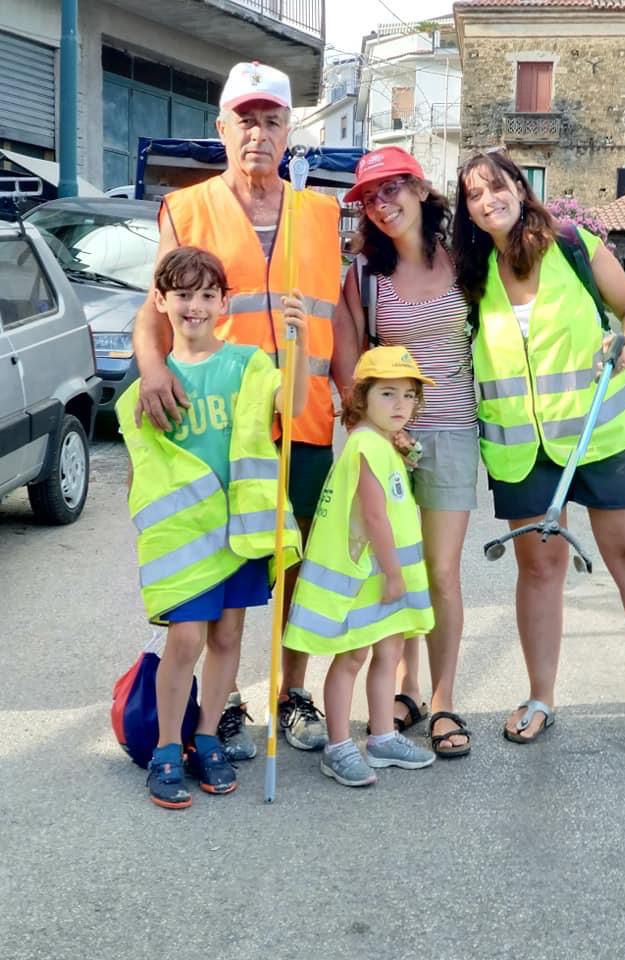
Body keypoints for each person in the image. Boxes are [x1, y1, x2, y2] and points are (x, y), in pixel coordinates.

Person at [132, 62, 350, 755]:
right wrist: (150, 370)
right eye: (245, 119)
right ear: (221, 128)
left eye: (272, 120)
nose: (258, 133)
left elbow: (339, 318)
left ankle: (291, 694)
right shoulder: (187, 208)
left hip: (305, 419)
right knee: (228, 567)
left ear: (290, 132)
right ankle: (224, 706)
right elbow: (155, 311)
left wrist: (359, 400)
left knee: (297, 568)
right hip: (222, 428)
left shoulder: (322, 212)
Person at [452, 150, 625, 758]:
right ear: (468, 210)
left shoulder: (572, 243)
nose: (489, 200)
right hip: (522, 450)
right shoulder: (473, 270)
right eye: (474, 195)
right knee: (538, 571)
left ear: (519, 185)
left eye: (497, 186)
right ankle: (541, 698)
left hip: (604, 435)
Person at [116, 246, 307, 807]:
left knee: (227, 636)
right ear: (161, 301)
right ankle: (167, 748)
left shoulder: (247, 364)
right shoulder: (150, 386)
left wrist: (297, 346)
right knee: (187, 639)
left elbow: (291, 408)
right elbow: (146, 472)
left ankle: (207, 736)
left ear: (224, 303)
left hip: (240, 530)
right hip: (187, 540)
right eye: (182, 295)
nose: (194, 306)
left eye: (206, 295)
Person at [338, 147, 478, 758]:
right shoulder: (366, 274)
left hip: (452, 431)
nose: (382, 203)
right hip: (387, 439)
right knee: (395, 565)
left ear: (420, 189)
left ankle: (444, 700)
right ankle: (406, 685)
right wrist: (369, 431)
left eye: (392, 188)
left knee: (441, 572)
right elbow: (348, 359)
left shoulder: (467, 260)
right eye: (370, 197)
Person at [284, 346, 437, 786]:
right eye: (388, 394)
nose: (400, 406)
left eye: (409, 396)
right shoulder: (366, 446)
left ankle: (383, 736)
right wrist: (393, 574)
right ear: (362, 397)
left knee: (388, 650)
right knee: (351, 655)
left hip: (382, 576)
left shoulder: (383, 442)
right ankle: (337, 746)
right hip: (367, 576)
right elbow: (374, 517)